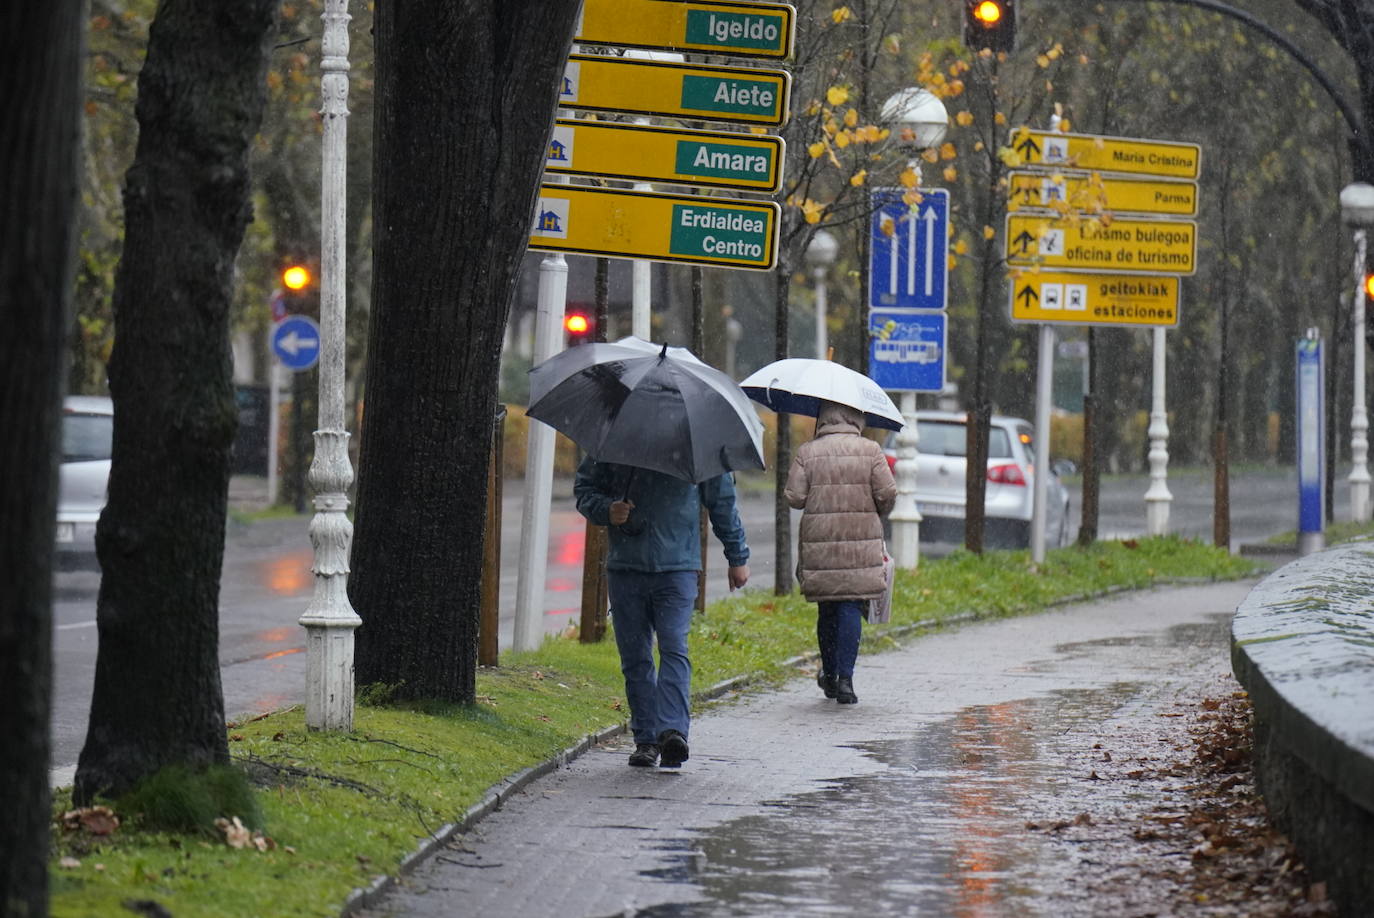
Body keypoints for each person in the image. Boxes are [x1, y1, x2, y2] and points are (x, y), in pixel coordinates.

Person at [574, 459, 751, 768]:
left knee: (673, 646)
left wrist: (737, 556)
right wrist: (608, 510)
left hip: (678, 568)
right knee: (635, 657)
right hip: (626, 569)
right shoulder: (618, 443)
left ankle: (672, 732)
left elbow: (721, 500)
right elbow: (585, 489)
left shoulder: (698, 443)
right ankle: (646, 739)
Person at [785, 400, 897, 705]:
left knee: (828, 608)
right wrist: (877, 510)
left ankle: (830, 675)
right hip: (860, 540)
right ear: (856, 417)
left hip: (820, 539)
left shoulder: (808, 451)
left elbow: (795, 497)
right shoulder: (871, 450)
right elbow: (887, 493)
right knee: (850, 605)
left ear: (822, 418)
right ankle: (846, 679)